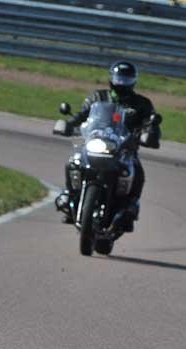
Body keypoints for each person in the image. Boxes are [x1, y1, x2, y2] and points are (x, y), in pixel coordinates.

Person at [54, 61, 160, 232]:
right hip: (96, 142)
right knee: (74, 162)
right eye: (119, 79)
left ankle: (130, 208)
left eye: (126, 80)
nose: (122, 83)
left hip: (125, 149)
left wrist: (151, 134)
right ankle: (70, 195)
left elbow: (151, 125)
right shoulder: (98, 97)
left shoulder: (142, 104)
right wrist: (67, 125)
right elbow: (81, 116)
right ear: (111, 78)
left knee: (137, 171)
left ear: (133, 81)